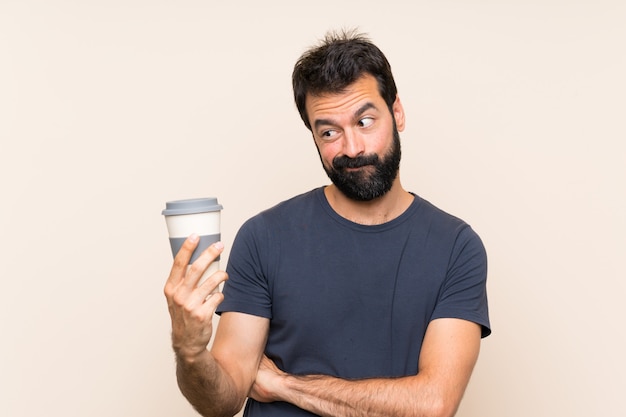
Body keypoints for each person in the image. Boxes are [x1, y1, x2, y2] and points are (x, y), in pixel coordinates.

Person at [164, 28, 490, 417]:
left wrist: (285, 385)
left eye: (365, 121)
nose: (352, 149)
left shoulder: (456, 247)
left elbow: (433, 404)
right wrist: (190, 350)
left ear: (397, 112)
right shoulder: (264, 237)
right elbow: (223, 400)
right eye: (330, 132)